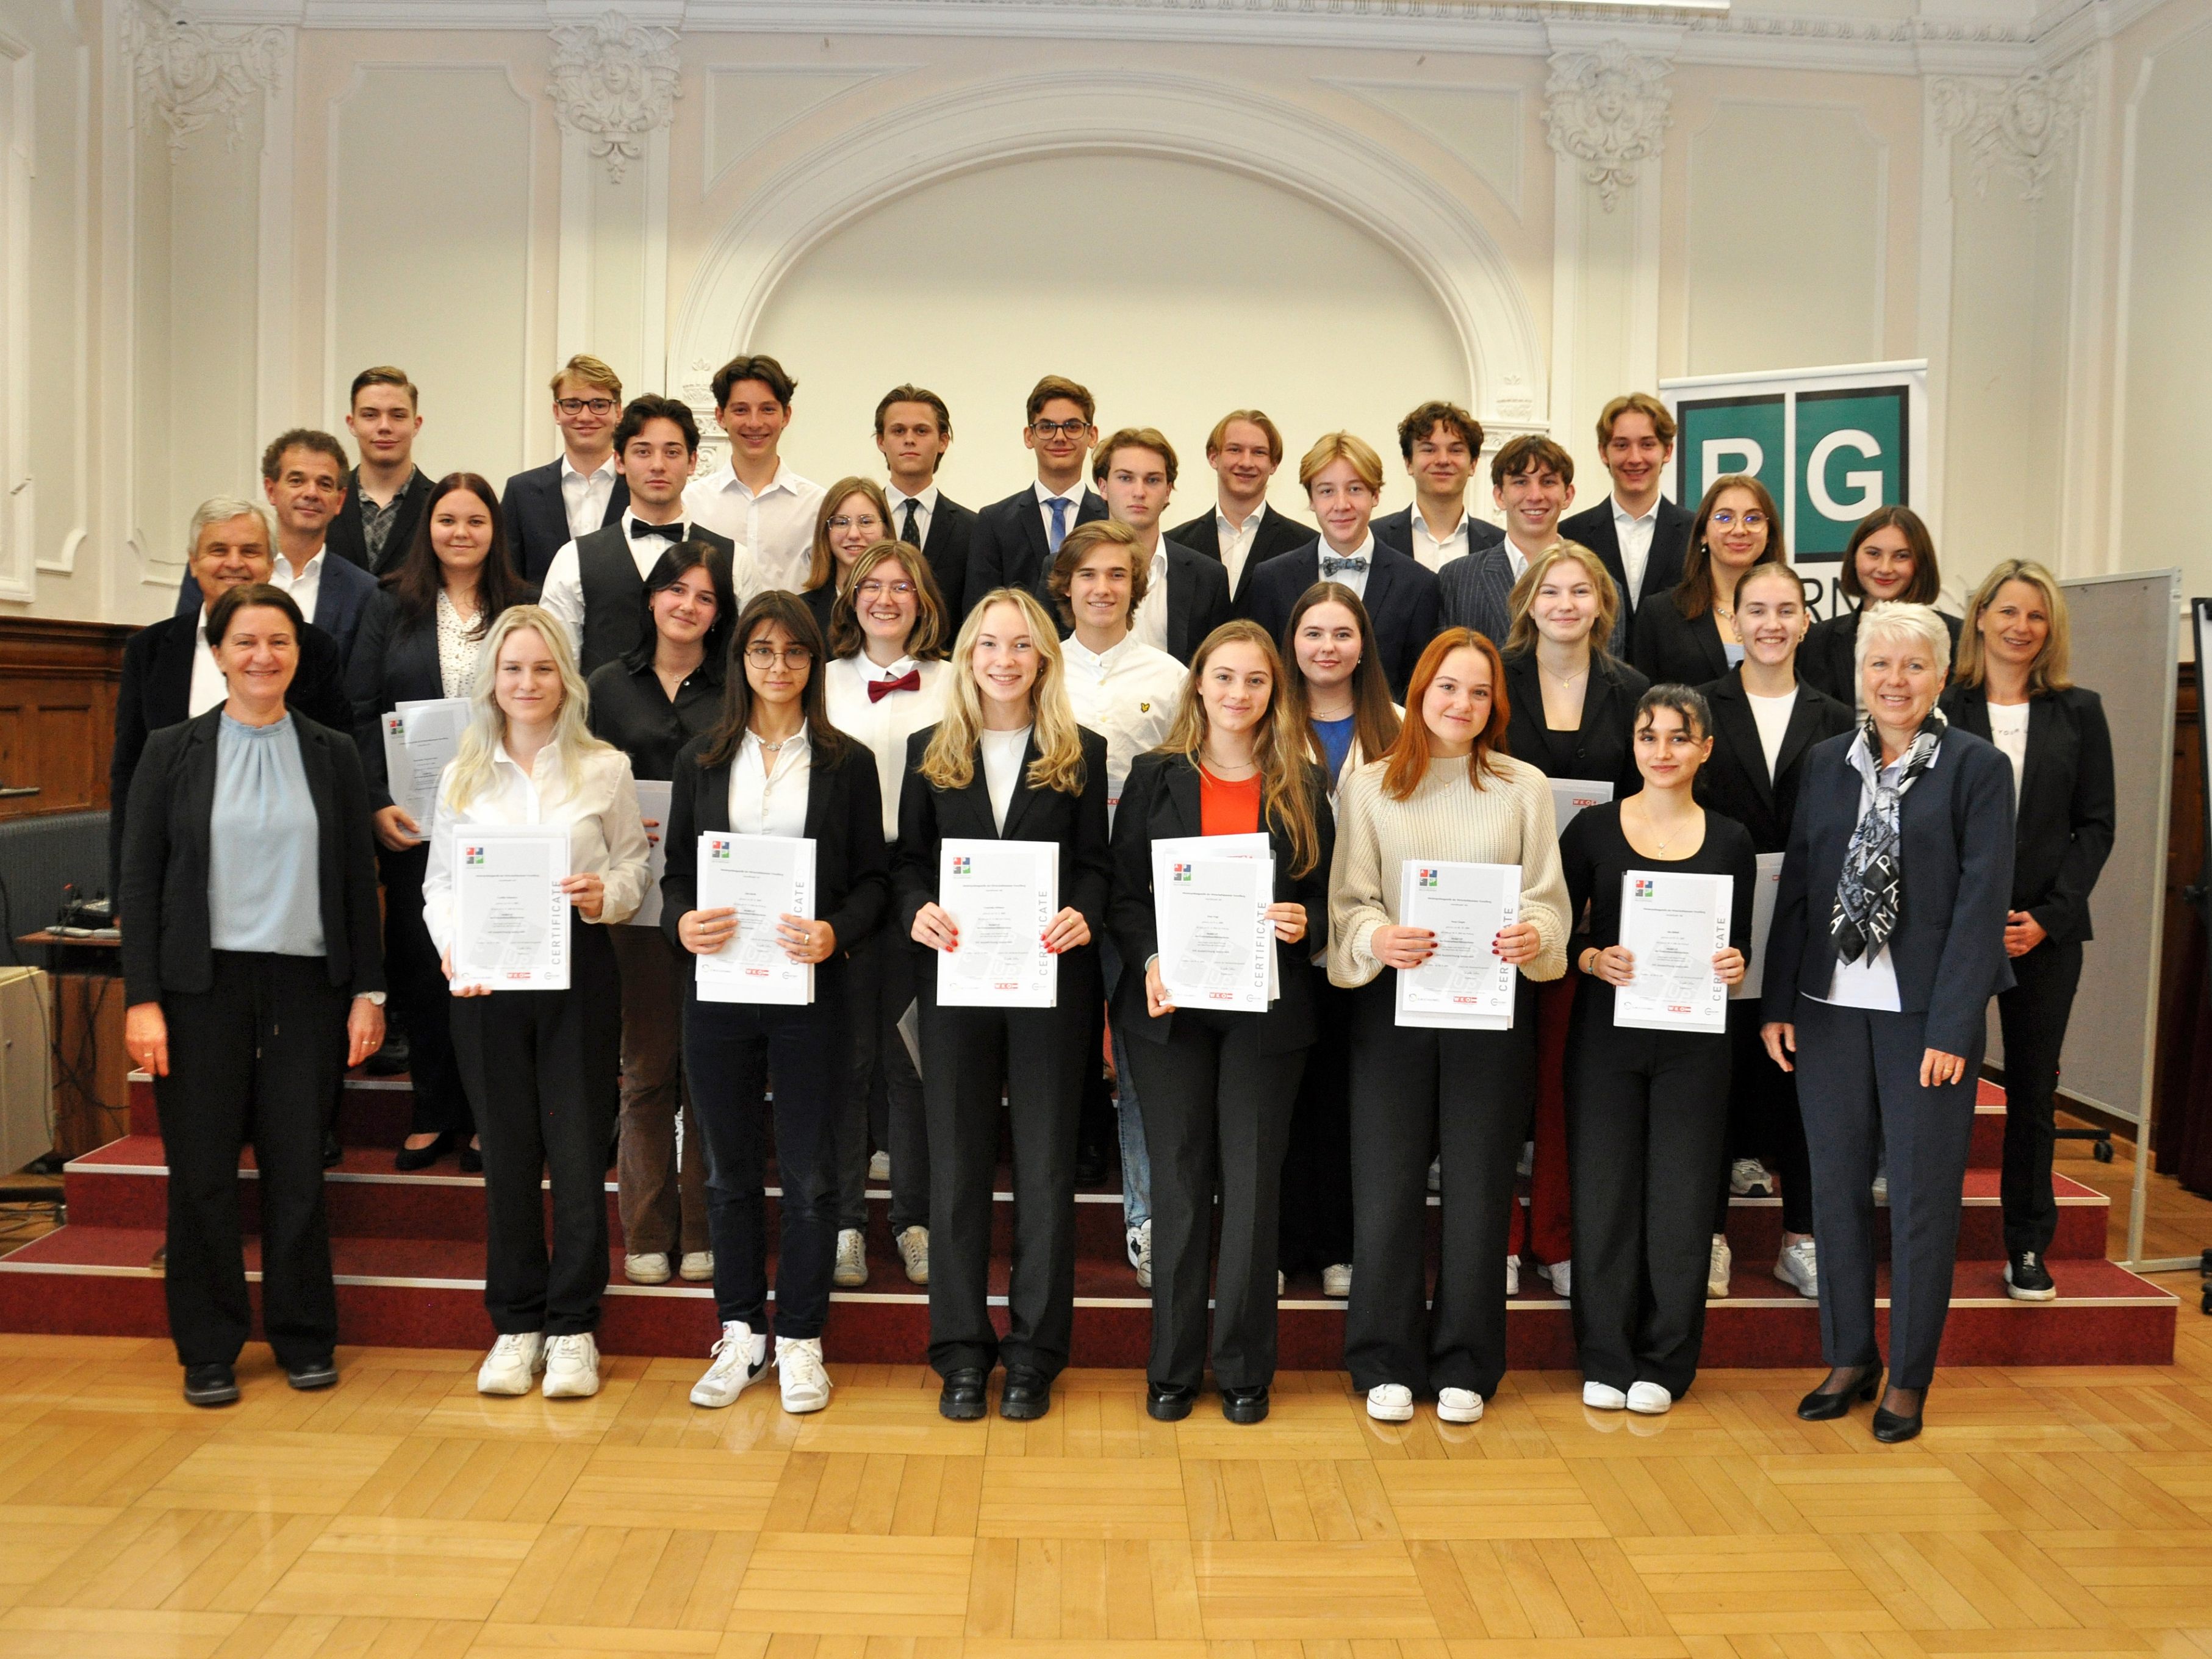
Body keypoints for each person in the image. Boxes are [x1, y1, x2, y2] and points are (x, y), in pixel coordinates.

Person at [120, 582, 386, 1406]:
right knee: (200, 1174)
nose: (263, 656)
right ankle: (208, 1347)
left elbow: (355, 879)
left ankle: (304, 1335)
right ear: (218, 652)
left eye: (279, 641)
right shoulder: (170, 751)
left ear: (299, 655)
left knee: (298, 1169)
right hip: (199, 989)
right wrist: (142, 998)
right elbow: (138, 879)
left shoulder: (332, 752)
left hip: (308, 987)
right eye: (245, 642)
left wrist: (368, 990)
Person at [1761, 601, 2015, 1442]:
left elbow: (1981, 906)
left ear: (1941, 677)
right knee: (1831, 1190)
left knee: (1918, 1200)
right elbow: (1797, 887)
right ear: (1857, 675)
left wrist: (1952, 1029)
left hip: (1923, 1024)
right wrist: (1776, 1003)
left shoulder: (1976, 769)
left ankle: (1906, 1376)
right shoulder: (1827, 762)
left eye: (1912, 666)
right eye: (1879, 666)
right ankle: (1847, 1356)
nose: (1894, 681)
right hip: (1828, 1011)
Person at [1327, 628, 1568, 1423]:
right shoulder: (1364, 787)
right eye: (1446, 688)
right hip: (1392, 1010)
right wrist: (1375, 938)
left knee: (1478, 1189)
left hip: (1489, 1012)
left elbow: (1546, 899)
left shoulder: (1522, 785)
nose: (1460, 705)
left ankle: (1466, 1361)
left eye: (1477, 692)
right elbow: (1347, 905)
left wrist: (1534, 934)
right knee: (1387, 1188)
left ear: (1494, 703)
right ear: (1419, 692)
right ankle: (1383, 1360)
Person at [663, 591, 888, 1416]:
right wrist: (679, 921)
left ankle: (798, 1338)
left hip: (810, 991)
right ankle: (738, 1333)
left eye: (794, 653)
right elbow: (675, 878)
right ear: (740, 662)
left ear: (813, 664)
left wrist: (836, 933)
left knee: (808, 1174)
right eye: (761, 651)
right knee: (725, 1174)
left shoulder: (846, 761)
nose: (778, 667)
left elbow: (872, 881)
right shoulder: (701, 758)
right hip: (718, 991)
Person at [423, 606, 652, 1402]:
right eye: (512, 669)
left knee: (580, 1152)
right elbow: (441, 884)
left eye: (542, 669)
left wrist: (605, 895)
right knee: (509, 1156)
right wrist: (453, 945)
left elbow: (633, 869)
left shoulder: (605, 770)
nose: (526, 683)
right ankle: (516, 1322)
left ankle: (575, 1326)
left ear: (566, 680)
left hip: (578, 977)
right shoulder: (461, 775)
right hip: (486, 986)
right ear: (491, 680)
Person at [895, 587, 1111, 1422]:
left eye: (1021, 646)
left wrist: (1081, 911)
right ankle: (959, 1351)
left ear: (1043, 660)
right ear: (967, 656)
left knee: (1047, 1171)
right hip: (954, 983)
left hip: (1048, 983)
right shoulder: (927, 748)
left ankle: (1033, 1354)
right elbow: (909, 860)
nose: (1004, 660)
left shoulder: (1077, 751)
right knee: (955, 1172)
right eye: (989, 645)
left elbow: (1095, 864)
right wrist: (918, 903)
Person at [1110, 620, 1332, 1424]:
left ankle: (1242, 1367)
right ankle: (1170, 1367)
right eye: (1224, 677)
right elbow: (1126, 896)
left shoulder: (1302, 786)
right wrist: (1146, 962)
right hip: (1172, 1011)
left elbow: (1328, 900)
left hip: (1266, 1014)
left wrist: (1303, 922)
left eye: (1255, 681)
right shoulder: (1153, 775)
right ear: (1196, 683)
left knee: (1249, 1188)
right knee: (1176, 1185)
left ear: (1275, 694)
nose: (1238, 694)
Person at [1559, 684, 1755, 1414]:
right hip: (1606, 1038)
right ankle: (1604, 1356)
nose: (1662, 750)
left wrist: (1735, 963)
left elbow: (1736, 949)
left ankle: (1667, 1361)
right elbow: (1559, 932)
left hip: (1695, 1044)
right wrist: (1589, 959)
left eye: (1679, 737)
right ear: (1632, 745)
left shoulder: (1731, 839)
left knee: (1680, 1201)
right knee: (1604, 1197)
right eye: (1648, 735)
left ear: (1704, 748)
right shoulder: (1591, 832)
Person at [347, 472, 537, 1172]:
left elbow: (540, 696)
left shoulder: (521, 602)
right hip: (413, 818)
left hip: (501, 812)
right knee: (426, 965)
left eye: (476, 521)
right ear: (428, 526)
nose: (461, 532)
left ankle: (492, 1117)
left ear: (495, 531)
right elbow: (361, 706)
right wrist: (373, 800)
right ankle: (432, 1107)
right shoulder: (389, 601)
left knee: (493, 964)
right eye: (448, 519)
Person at [1943, 560, 2114, 1302]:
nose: (2019, 627)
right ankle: (1924, 1233)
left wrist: (2046, 917)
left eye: (2035, 616)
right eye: (2006, 611)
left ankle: (2025, 1244)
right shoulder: (1942, 706)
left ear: (2050, 630)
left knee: (2031, 1096)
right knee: (1936, 1080)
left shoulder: (2079, 711)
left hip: (2044, 933)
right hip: (1953, 929)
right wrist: (1968, 916)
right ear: (1978, 617)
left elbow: (2095, 825)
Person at [1496, 544, 1652, 1301]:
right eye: (1550, 590)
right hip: (1498, 913)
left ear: (1601, 604)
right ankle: (1494, 1235)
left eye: (1579, 590)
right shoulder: (1494, 677)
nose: (1564, 602)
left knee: (1564, 1086)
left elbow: (1642, 804)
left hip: (1589, 920)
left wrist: (1600, 910)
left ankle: (1556, 1237)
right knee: (1491, 1089)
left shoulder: (1631, 690)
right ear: (1528, 600)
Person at [1696, 560, 1851, 1300]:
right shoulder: (1697, 707)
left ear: (1804, 620)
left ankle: (1801, 1238)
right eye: (1755, 609)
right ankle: (1711, 1239)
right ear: (1732, 621)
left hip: (1808, 924)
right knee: (1715, 1081)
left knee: (1803, 1081)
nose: (1770, 623)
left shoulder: (1837, 716)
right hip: (1712, 921)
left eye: (1785, 609)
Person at [586, 540, 738, 1288]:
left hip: (716, 901)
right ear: (651, 598)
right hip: (633, 900)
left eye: (705, 596)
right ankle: (647, 1230)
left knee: (707, 1071)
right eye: (674, 590)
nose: (687, 606)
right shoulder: (606, 686)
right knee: (646, 1067)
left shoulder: (736, 687)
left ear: (719, 612)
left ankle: (704, 1228)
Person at [1045, 520, 1188, 1288]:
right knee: (1054, 1062)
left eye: (1117, 574)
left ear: (1137, 585)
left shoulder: (1169, 677)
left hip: (1137, 893)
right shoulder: (1035, 667)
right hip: (1055, 892)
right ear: (1064, 584)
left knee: (1139, 1065)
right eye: (1088, 574)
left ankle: (1145, 1218)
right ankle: (1047, 1221)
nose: (1102, 587)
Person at [822, 540, 954, 1290]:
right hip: (841, 891)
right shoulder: (824, 678)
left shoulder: (949, 680)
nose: (885, 598)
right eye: (870, 585)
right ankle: (845, 1222)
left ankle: (913, 1221)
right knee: (847, 1064)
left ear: (923, 598)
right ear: (850, 596)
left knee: (912, 1064)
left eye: (902, 586)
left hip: (920, 888)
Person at [112, 500, 353, 897]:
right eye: (218, 550)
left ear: (270, 563)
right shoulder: (149, 651)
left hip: (291, 868)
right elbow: (128, 773)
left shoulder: (313, 649)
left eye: (250, 551)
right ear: (193, 563)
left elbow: (338, 766)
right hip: (180, 870)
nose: (234, 563)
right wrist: (124, 888)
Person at [1277, 581, 1400, 1297]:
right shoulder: (1265, 720)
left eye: (1342, 633)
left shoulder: (1402, 724)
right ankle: (1285, 1241)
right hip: (1286, 948)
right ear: (1291, 642)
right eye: (1313, 632)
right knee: (1288, 1104)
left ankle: (1344, 1248)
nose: (1327, 647)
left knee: (1355, 1107)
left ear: (1363, 645)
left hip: (1372, 952)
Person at [542, 395, 740, 675]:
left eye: (672, 452)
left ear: (693, 461)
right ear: (619, 461)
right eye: (643, 452)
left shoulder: (736, 561)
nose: (658, 465)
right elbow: (556, 668)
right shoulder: (572, 559)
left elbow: (747, 664)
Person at [1238, 431, 1441, 700]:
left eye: (1355, 489)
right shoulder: (1271, 579)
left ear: (1375, 495)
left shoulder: (1418, 584)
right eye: (1327, 491)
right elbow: (1261, 671)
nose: (1341, 505)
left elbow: (1418, 684)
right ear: (1311, 500)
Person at [181, 430, 378, 667]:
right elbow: (183, 653)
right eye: (296, 480)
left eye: (324, 484)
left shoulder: (364, 592)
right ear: (271, 490)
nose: (311, 493)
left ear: (340, 500)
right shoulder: (223, 571)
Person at [1077, 428, 1232, 666]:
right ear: (1103, 486)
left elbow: (1220, 666)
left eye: (1152, 480)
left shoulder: (1208, 578)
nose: (1139, 492)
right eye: (1126, 478)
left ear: (1168, 491)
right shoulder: (1066, 568)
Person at [681, 353, 825, 594]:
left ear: (786, 416)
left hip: (794, 631)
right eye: (741, 410)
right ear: (720, 416)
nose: (755, 423)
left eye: (767, 410)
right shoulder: (690, 502)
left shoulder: (818, 505)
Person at [1800, 507, 1966, 713]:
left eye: (1901, 556)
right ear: (1854, 558)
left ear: (1921, 563)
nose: (1885, 568)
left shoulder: (1960, 638)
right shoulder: (1816, 640)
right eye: (1873, 554)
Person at [1631, 474, 1784, 687]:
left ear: (1769, 534)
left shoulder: (1788, 615)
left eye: (1753, 519)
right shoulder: (1660, 614)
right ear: (1703, 532)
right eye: (1724, 518)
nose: (1740, 530)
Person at [1559, 393, 1694, 628]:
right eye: (1622, 445)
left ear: (1668, 451)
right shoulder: (1569, 535)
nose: (1635, 458)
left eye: (1647, 444)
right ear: (1604, 452)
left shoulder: (1697, 533)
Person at [970, 375, 1108, 600]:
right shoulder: (994, 523)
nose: (1060, 437)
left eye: (1072, 427)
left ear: (1092, 436)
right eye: (1047, 427)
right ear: (1029, 436)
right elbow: (980, 612)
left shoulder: (1112, 518)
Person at [502, 354, 631, 582]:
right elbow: (507, 580)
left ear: (618, 412)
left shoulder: (640, 488)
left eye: (599, 405)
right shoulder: (521, 492)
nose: (585, 416)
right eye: (572, 405)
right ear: (556, 412)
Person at [1437, 435, 1575, 649]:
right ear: (1500, 496)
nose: (1535, 495)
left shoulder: (1600, 582)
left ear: (1568, 494)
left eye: (1548, 482)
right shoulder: (1458, 580)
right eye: (1521, 482)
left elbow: (1608, 675)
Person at [1166, 409, 1311, 606]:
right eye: (1235, 450)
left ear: (1274, 464)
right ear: (1213, 457)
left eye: (1259, 452)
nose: (1246, 462)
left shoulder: (1306, 546)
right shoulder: (1175, 545)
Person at [876, 384, 977, 623]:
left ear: (943, 441)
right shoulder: (859, 525)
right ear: (881, 441)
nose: (909, 440)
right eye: (898, 431)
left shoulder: (973, 529)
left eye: (921, 431)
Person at [1373, 400, 1507, 572]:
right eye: (1429, 450)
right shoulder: (1374, 539)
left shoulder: (1501, 545)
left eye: (1456, 450)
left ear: (1473, 464)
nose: (1443, 460)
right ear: (1408, 463)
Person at [328, 367, 435, 576]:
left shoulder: (439, 504)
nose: (384, 426)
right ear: (352, 424)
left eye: (398, 415)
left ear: (416, 425)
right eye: (370, 415)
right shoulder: (327, 500)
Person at [799, 476, 892, 642]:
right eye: (841, 523)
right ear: (826, 533)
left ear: (885, 530)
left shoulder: (904, 606)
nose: (854, 534)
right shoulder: (802, 613)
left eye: (866, 522)